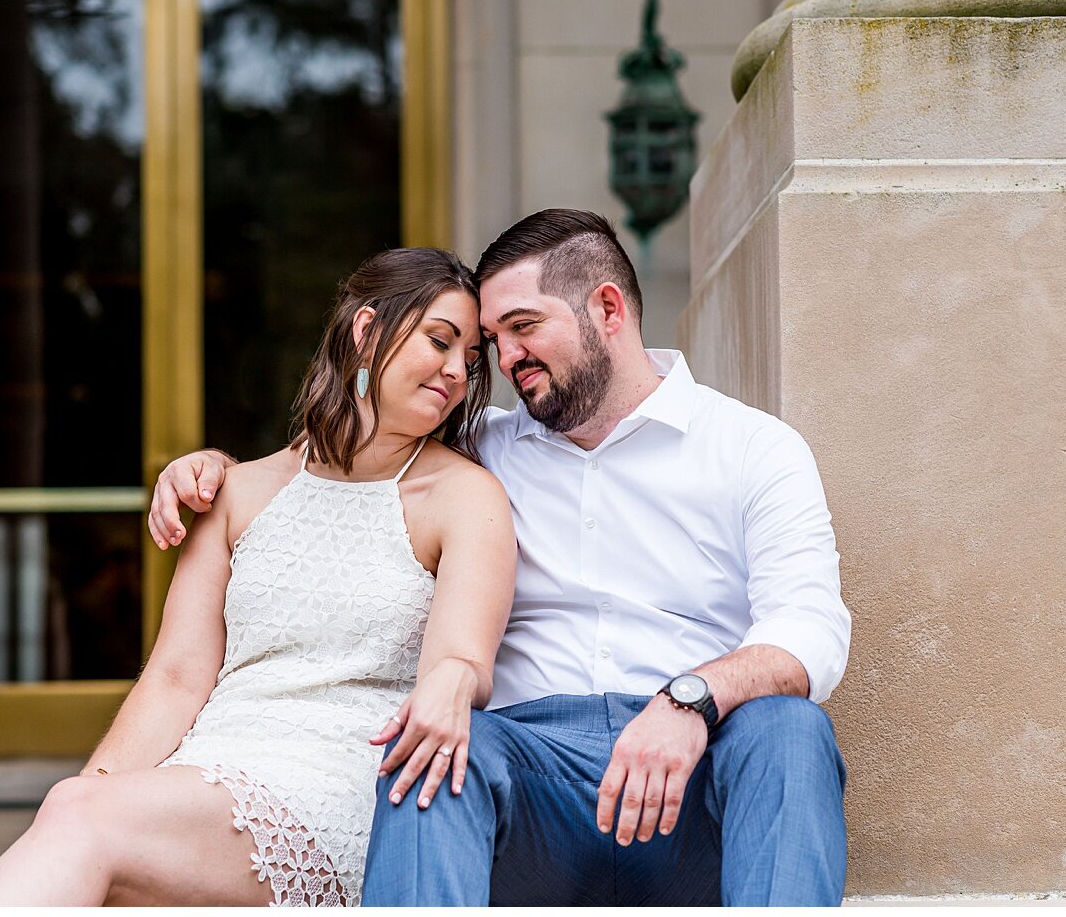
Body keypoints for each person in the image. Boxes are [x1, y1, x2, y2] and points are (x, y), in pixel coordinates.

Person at [148, 209, 852, 906]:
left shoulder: (753, 447)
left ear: (607, 308)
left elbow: (811, 632)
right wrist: (212, 468)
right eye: (493, 339)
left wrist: (688, 701)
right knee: (435, 748)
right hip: (526, 781)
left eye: (523, 327)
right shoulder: (474, 448)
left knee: (790, 730)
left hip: (692, 776)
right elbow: (339, 459)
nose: (503, 359)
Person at [0, 247, 516, 906]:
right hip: (211, 766)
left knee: (83, 821)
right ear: (366, 331)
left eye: (471, 359)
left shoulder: (463, 496)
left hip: (339, 781)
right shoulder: (237, 492)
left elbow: (460, 662)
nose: (456, 370)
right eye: (439, 341)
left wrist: (85, 811)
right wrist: (92, 792)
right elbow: (174, 677)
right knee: (77, 811)